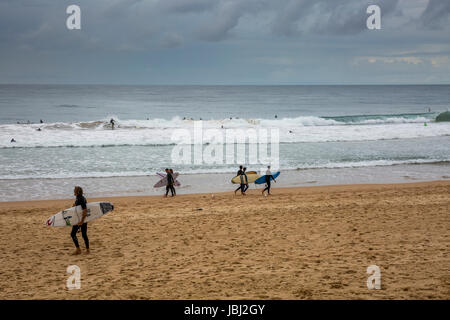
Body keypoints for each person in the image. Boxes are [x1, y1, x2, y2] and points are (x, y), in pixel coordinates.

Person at [70, 186, 89, 255]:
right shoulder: (79, 198)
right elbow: (78, 207)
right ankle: (87, 250)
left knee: (73, 234)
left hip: (80, 219)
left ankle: (78, 250)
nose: (73, 191)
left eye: (74, 190)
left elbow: (85, 210)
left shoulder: (81, 199)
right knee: (84, 234)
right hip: (81, 219)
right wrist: (74, 205)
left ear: (77, 192)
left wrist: (81, 221)